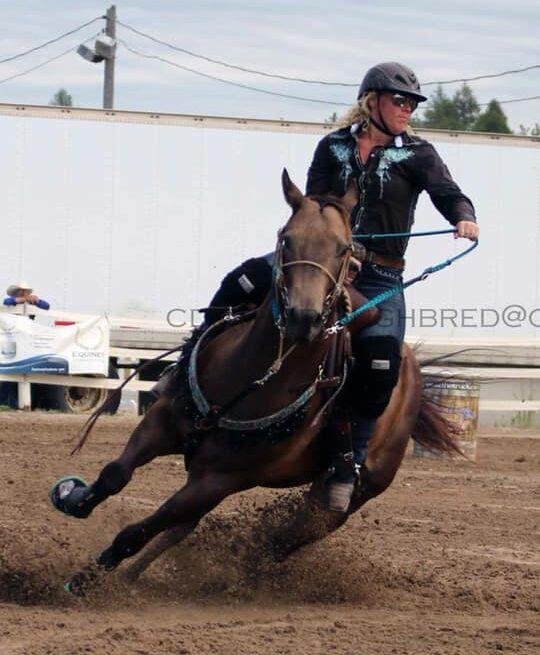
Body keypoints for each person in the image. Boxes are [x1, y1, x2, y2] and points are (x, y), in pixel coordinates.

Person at [166, 62, 480, 511]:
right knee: (239, 282)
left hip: (380, 276)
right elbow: (313, 204)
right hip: (318, 261)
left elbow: (448, 193)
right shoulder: (332, 147)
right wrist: (330, 253)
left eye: (412, 103)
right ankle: (181, 377)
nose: (407, 109)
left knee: (381, 361)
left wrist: (464, 217)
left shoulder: (419, 155)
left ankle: (348, 462)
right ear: (371, 101)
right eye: (399, 100)